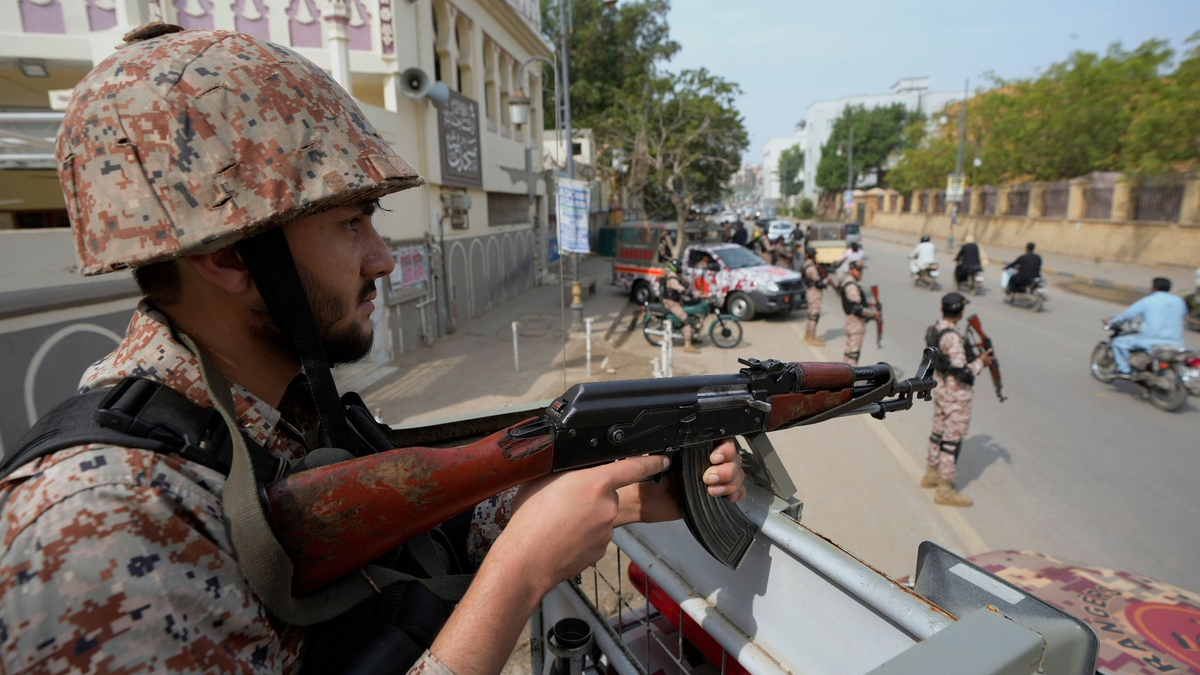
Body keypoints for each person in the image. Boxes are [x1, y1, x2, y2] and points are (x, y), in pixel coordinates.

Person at [0, 24, 746, 675]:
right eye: (351, 222)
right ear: (230, 258)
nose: (384, 257)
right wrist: (520, 574)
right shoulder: (94, 531)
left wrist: (608, 491)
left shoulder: (276, 418)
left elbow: (408, 543)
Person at [922, 293, 995, 507]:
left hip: (942, 390)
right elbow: (962, 371)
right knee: (951, 442)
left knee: (937, 434)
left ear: (941, 309)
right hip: (956, 396)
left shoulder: (937, 328)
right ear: (960, 312)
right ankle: (945, 489)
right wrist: (982, 362)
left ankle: (931, 475)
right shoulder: (952, 337)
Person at [1103, 277, 1187, 378]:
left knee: (1118, 342)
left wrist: (1111, 322)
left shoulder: (1148, 300)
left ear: (1154, 288)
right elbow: (1183, 314)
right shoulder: (1178, 301)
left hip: (1150, 341)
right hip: (1175, 342)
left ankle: (1124, 370)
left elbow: (1127, 315)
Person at [837, 261, 878, 365]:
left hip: (852, 323)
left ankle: (844, 376)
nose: (860, 272)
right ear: (851, 270)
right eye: (858, 270)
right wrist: (873, 314)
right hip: (855, 324)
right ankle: (850, 378)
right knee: (853, 355)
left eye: (861, 270)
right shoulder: (851, 285)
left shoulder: (850, 282)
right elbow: (857, 309)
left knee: (848, 352)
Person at [662, 258, 701, 354]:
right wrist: (686, 291)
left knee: (694, 316)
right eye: (678, 266)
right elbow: (677, 287)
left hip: (677, 301)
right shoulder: (671, 277)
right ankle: (687, 345)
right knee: (687, 320)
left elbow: (685, 284)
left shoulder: (676, 275)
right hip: (671, 303)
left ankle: (691, 337)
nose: (680, 268)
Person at [801, 248, 828, 346]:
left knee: (810, 314)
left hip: (810, 291)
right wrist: (825, 281)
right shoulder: (811, 268)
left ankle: (807, 335)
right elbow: (819, 283)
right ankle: (811, 338)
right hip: (814, 293)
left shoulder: (806, 264)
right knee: (814, 315)